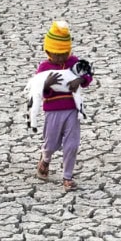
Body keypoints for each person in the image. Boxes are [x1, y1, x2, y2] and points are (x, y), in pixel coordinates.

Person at [34, 20, 94, 191]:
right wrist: (47, 84)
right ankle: (45, 159)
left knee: (72, 144)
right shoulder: (44, 67)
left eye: (63, 54)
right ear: (47, 51)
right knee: (51, 144)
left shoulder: (73, 62)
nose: (60, 58)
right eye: (55, 54)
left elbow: (88, 73)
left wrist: (80, 80)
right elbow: (37, 89)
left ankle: (67, 177)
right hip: (53, 112)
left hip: (71, 110)